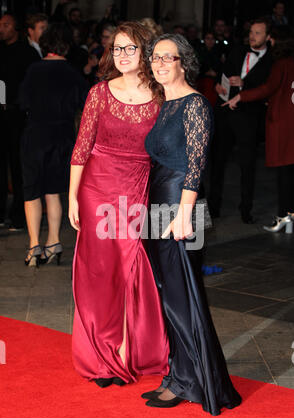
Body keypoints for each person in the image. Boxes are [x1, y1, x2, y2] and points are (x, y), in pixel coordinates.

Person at [142, 33, 242, 415]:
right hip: (159, 204)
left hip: (180, 207)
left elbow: (196, 165)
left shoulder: (195, 103)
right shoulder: (166, 103)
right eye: (155, 58)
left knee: (183, 296)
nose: (160, 64)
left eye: (168, 57)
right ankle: (179, 374)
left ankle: (194, 382)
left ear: (185, 62)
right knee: (170, 294)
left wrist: (183, 214)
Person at [69, 22, 169, 388]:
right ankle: (101, 355)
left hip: (136, 188)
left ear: (144, 52)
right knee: (100, 272)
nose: (122, 55)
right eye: (117, 48)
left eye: (130, 48)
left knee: (130, 268)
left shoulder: (161, 95)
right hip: (96, 188)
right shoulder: (99, 92)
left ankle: (129, 351)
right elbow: (81, 147)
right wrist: (72, 197)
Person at [19, 23, 89, 266]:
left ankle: (33, 246)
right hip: (62, 137)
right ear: (66, 46)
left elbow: (23, 102)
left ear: (46, 44)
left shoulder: (33, 70)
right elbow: (86, 105)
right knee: (53, 193)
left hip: (36, 135)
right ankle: (54, 242)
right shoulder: (72, 72)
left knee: (32, 193)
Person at [223, 26, 294, 233]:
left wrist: (242, 96)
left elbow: (268, 88)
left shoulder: (281, 64)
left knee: (284, 172)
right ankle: (293, 213)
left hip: (283, 123)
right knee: (292, 171)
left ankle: (284, 215)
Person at [208, 17, 273, 223]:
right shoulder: (237, 50)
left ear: (267, 37)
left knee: (247, 165)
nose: (253, 36)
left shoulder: (272, 60)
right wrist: (218, 85)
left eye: (258, 33)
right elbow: (221, 73)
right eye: (252, 32)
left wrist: (245, 84)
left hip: (248, 116)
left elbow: (267, 88)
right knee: (217, 161)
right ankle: (213, 206)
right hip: (225, 112)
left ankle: (246, 209)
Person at [0, 13, 40, 230]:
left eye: (6, 25)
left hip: (18, 116)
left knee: (18, 165)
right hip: (1, 113)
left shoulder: (27, 53)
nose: (2, 29)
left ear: (16, 28)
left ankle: (18, 214)